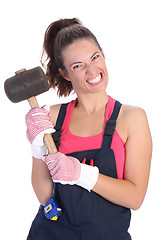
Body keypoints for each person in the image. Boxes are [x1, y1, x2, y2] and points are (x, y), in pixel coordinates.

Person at [25, 18, 152, 240]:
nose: (92, 70)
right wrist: (37, 149)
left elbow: (135, 198)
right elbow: (45, 196)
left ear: (102, 54)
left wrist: (80, 173)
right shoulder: (52, 117)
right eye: (78, 65)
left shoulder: (132, 118)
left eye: (95, 57)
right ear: (65, 73)